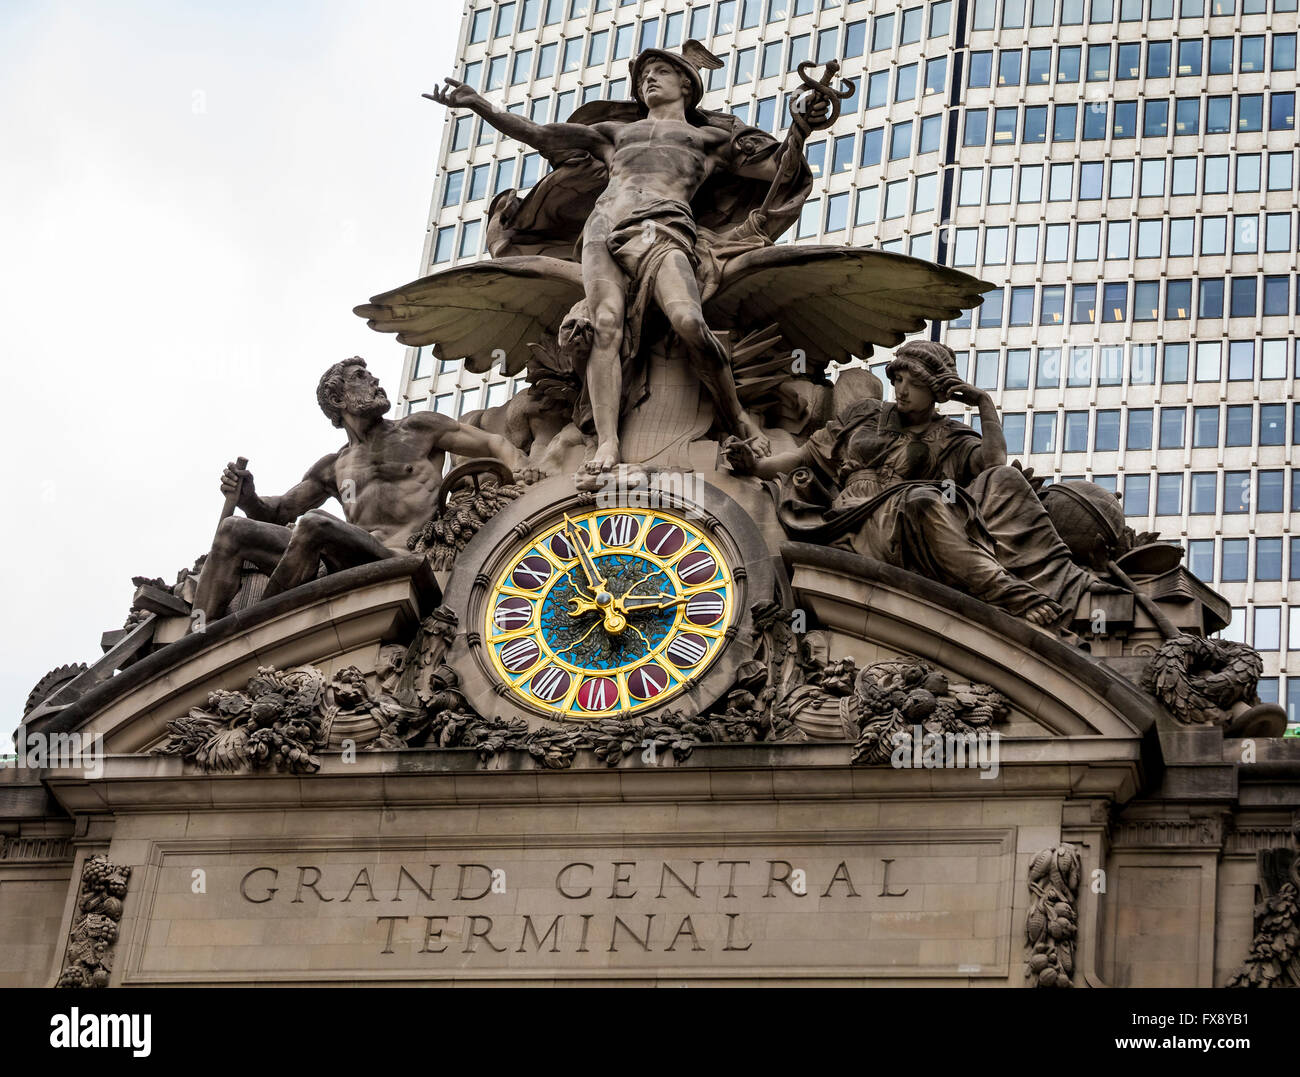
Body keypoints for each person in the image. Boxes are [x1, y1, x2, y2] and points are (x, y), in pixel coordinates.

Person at [426, 42, 831, 473]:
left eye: (659, 72)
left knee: (690, 322)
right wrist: (481, 106)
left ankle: (739, 418)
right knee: (604, 326)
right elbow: (539, 133)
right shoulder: (617, 134)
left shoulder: (710, 139)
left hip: (662, 226)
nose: (648, 80)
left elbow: (778, 168)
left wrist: (802, 129)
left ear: (686, 85)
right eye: (643, 77)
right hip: (603, 228)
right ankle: (607, 442)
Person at [723, 341, 1103, 629]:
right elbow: (805, 457)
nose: (901, 390)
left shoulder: (950, 435)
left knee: (989, 483)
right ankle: (1004, 590)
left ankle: (1018, 582)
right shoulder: (865, 414)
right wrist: (756, 464)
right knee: (922, 499)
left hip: (913, 525)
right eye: (898, 380)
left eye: (913, 383)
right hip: (851, 521)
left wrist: (984, 404)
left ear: (938, 389)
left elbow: (993, 465)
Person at [191, 358, 535, 621]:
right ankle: (199, 634)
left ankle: (261, 626)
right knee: (232, 529)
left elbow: (493, 444)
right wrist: (248, 495)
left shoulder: (419, 429)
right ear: (337, 398)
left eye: (370, 374)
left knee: (314, 524)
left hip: (405, 559)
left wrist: (523, 469)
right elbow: (277, 511)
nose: (374, 380)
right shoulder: (333, 466)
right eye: (360, 377)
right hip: (346, 563)